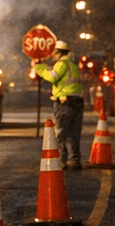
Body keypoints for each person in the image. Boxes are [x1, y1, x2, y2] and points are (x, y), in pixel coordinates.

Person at [32, 39, 85, 169]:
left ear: (58, 52)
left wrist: (39, 68)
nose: (51, 55)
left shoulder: (61, 63)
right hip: (77, 102)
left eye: (53, 52)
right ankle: (74, 160)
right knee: (73, 133)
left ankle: (61, 161)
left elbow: (52, 77)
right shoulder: (72, 65)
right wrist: (46, 68)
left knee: (61, 132)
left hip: (65, 103)